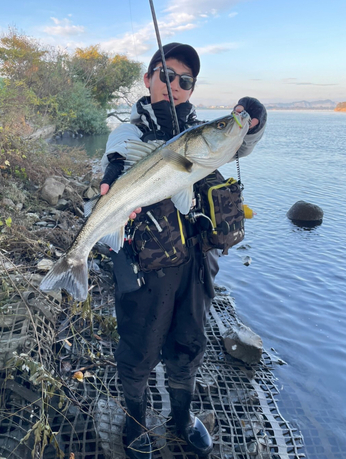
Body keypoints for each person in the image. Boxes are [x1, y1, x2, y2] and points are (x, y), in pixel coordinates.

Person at [100, 42, 267, 458]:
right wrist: (110, 176)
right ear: (148, 78)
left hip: (196, 261)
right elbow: (116, 157)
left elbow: (238, 143)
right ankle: (136, 422)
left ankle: (181, 418)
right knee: (139, 347)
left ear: (192, 88)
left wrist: (251, 119)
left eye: (185, 80)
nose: (174, 85)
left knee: (189, 342)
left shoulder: (202, 131)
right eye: (166, 74)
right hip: (147, 265)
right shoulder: (130, 130)